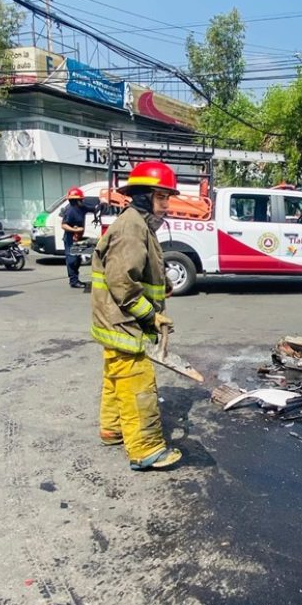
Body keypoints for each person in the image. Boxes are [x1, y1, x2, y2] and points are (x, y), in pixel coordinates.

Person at [90, 161, 182, 471]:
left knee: (116, 377)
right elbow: (122, 282)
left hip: (114, 320)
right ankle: (146, 450)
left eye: (168, 197)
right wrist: (151, 317)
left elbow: (141, 268)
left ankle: (112, 428)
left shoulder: (139, 225)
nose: (167, 205)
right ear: (143, 196)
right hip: (124, 321)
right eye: (161, 197)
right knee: (137, 382)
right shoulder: (132, 228)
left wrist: (163, 284)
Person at [61, 187, 88, 289]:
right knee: (72, 260)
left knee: (77, 259)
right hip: (70, 238)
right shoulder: (70, 210)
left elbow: (93, 207)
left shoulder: (82, 208)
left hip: (78, 238)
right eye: (81, 199)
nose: (82, 201)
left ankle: (75, 279)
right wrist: (75, 230)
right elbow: (63, 225)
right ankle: (73, 281)